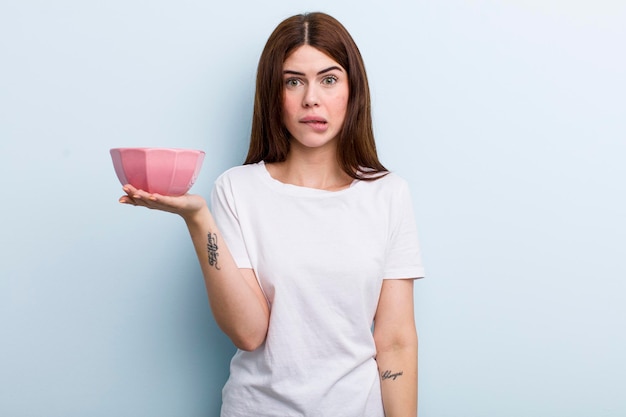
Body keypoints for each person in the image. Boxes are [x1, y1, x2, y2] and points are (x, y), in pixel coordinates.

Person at [119, 12, 424, 417]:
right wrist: (198, 221)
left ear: (353, 90)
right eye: (293, 81)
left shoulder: (388, 194)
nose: (311, 98)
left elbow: (396, 341)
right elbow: (249, 333)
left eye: (329, 79)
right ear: (273, 93)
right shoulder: (237, 189)